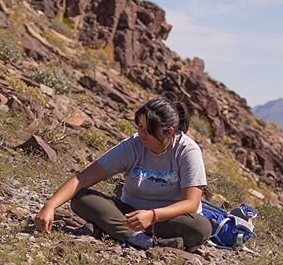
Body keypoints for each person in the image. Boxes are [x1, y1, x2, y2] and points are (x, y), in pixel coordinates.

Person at [34, 93, 212, 252]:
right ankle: (145, 242)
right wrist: (50, 206)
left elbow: (191, 203)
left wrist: (152, 215)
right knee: (83, 199)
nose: (141, 133)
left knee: (201, 227)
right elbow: (82, 178)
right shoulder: (132, 146)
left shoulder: (187, 150)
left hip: (167, 219)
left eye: (148, 130)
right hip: (128, 215)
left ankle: (112, 231)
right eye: (139, 126)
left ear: (168, 132)